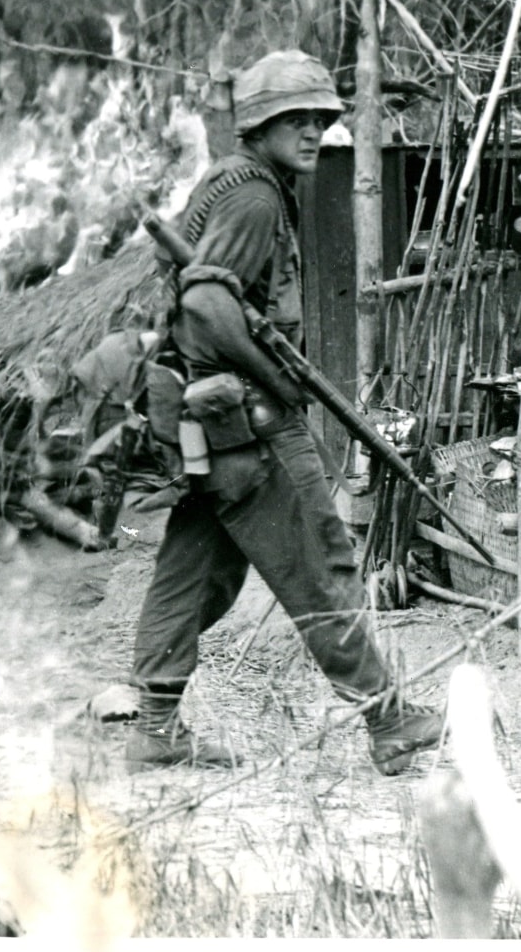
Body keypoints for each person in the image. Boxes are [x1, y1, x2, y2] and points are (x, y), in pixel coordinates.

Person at [127, 50, 445, 776]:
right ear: (258, 126)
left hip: (215, 428)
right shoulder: (254, 196)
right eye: (293, 120)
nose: (311, 132)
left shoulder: (233, 185)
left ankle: (153, 725)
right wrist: (277, 373)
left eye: (319, 119)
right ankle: (390, 721)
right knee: (319, 558)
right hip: (254, 424)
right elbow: (207, 304)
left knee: (196, 571)